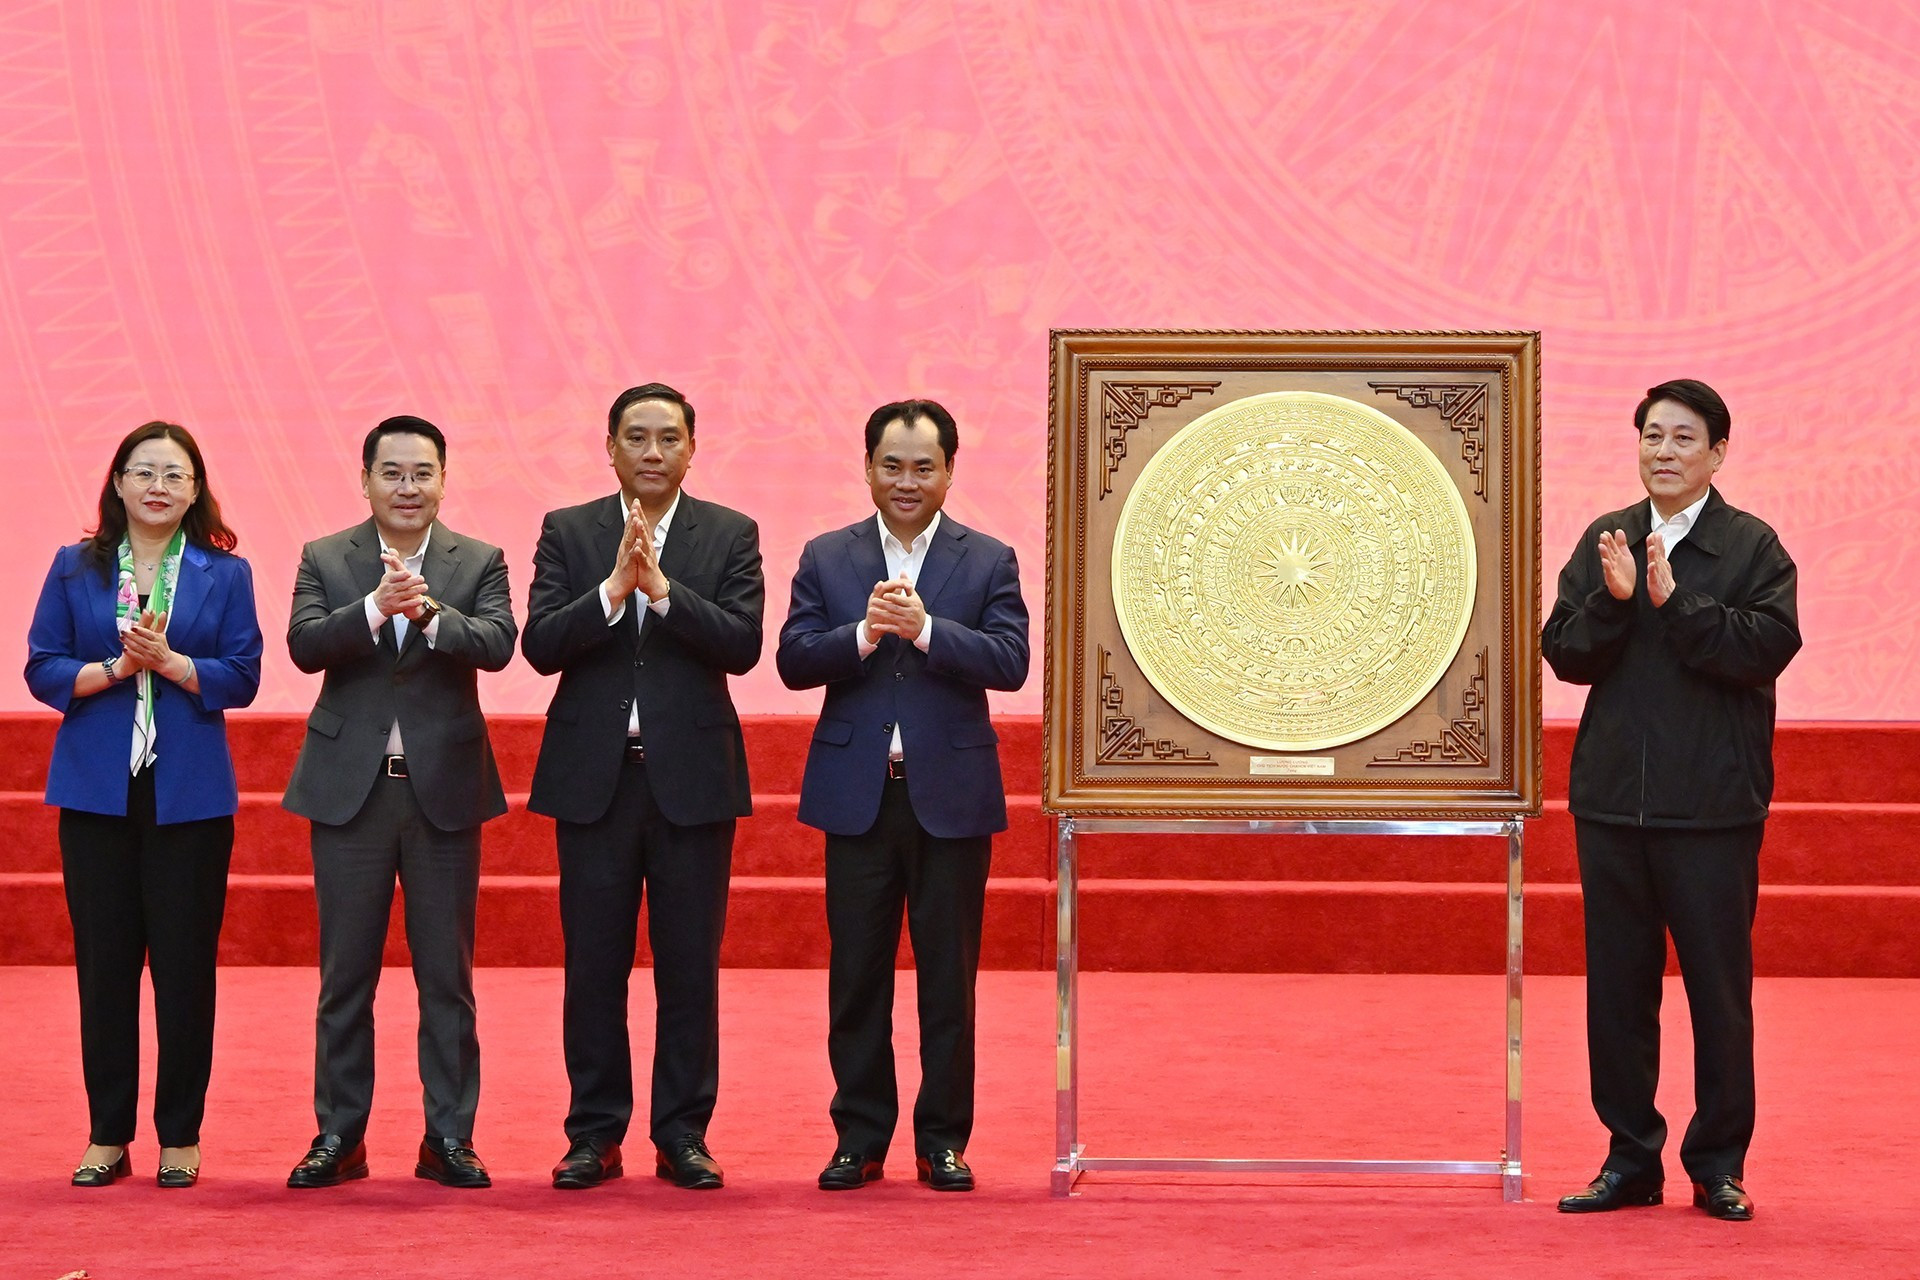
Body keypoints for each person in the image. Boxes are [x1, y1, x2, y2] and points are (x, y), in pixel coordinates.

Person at [1543, 379, 1801, 1222]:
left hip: (1713, 808)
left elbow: (1764, 649)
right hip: (1613, 803)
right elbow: (1566, 653)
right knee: (1618, 992)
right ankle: (1630, 1160)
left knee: (1718, 995)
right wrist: (1615, 600)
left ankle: (1718, 1164)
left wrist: (1676, 602)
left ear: (1718, 453)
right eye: (1652, 435)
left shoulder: (1751, 546)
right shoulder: (1608, 538)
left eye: (1684, 438)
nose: (1664, 451)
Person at [776, 398, 1029, 1193]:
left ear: (950, 471)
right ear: (868, 468)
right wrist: (863, 634)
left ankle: (942, 1140)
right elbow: (792, 659)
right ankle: (859, 1138)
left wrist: (925, 631)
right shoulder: (828, 555)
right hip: (858, 798)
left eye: (924, 467)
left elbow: (1011, 661)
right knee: (857, 977)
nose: (907, 480)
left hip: (950, 798)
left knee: (948, 981)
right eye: (892, 465)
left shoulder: (988, 559)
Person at [523, 383, 763, 1191]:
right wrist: (611, 592)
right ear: (611, 447)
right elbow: (541, 645)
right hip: (594, 779)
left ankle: (682, 1133)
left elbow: (741, 645)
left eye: (668, 438)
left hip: (692, 780)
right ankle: (593, 1134)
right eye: (636, 437)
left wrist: (663, 592)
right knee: (594, 966)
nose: (652, 452)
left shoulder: (728, 533)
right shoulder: (569, 531)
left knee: (688, 966)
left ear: (692, 449)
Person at [281, 415, 516, 1189]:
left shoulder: (477, 560)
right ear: (366, 480)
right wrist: (376, 607)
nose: (407, 487)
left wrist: (430, 615)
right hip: (350, 795)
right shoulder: (326, 557)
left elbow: (498, 643)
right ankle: (339, 1137)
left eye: (422, 473)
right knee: (345, 977)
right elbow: (305, 644)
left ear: (443, 480)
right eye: (392, 472)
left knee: (446, 978)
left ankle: (448, 1137)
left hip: (443, 792)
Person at [26, 421, 263, 1189]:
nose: (158, 486)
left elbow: (243, 674)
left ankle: (180, 1136)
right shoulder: (75, 568)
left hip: (188, 795)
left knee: (186, 969)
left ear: (195, 490)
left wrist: (174, 663)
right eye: (144, 472)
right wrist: (116, 667)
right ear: (119, 483)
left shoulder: (225, 573)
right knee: (106, 968)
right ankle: (107, 1135)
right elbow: (42, 666)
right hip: (97, 791)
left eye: (174, 474)